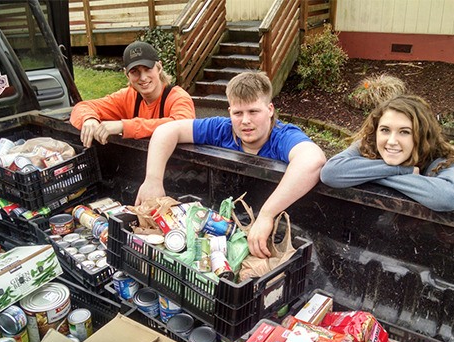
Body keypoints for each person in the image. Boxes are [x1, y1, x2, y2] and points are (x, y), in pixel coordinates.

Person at [135, 71, 326, 258]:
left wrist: (267, 215)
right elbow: (166, 131)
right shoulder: (222, 129)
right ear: (229, 112)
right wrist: (152, 179)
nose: (245, 121)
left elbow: (312, 160)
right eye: (238, 113)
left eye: (253, 111)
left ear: (270, 110)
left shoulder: (283, 136)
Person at [320, 94, 454, 211]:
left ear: (421, 136)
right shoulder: (368, 145)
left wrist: (364, 174)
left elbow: (449, 196)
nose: (391, 141)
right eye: (385, 130)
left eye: (404, 132)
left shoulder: (439, 158)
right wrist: (402, 170)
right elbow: (330, 173)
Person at [70, 41, 195, 147]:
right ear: (126, 74)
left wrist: (124, 126)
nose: (143, 78)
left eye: (147, 69)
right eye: (135, 72)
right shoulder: (127, 97)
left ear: (159, 67)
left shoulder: (178, 97)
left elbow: (184, 126)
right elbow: (82, 107)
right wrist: (89, 119)